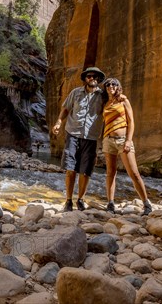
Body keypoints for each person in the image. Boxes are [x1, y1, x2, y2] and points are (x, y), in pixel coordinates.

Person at [52, 66, 106, 212]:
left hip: (91, 137)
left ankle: (80, 199)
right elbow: (66, 109)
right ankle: (68, 201)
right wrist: (58, 122)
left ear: (99, 79)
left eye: (95, 76)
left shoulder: (103, 96)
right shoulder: (75, 93)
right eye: (89, 76)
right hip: (72, 134)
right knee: (70, 169)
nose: (92, 78)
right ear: (85, 79)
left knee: (85, 171)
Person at [102, 77, 152, 215]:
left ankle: (146, 204)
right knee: (110, 173)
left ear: (118, 87)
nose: (110, 86)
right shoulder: (106, 103)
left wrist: (129, 141)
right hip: (108, 140)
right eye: (108, 84)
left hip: (123, 140)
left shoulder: (124, 100)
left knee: (134, 173)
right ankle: (110, 203)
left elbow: (131, 122)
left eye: (114, 84)